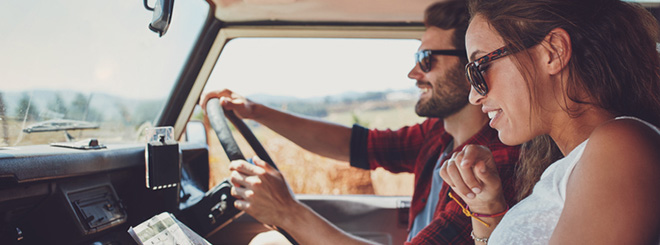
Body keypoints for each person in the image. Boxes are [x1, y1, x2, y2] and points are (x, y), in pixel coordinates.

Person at [201, 1, 521, 244]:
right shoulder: (439, 135)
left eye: (426, 60)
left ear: (471, 68)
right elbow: (353, 144)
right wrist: (255, 111)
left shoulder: (490, 164)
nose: (413, 74)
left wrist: (287, 211)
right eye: (416, 60)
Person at [440, 0, 660, 244]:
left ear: (553, 52)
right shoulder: (572, 165)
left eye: (480, 67)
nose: (474, 96)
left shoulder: (620, 147)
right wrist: (488, 209)